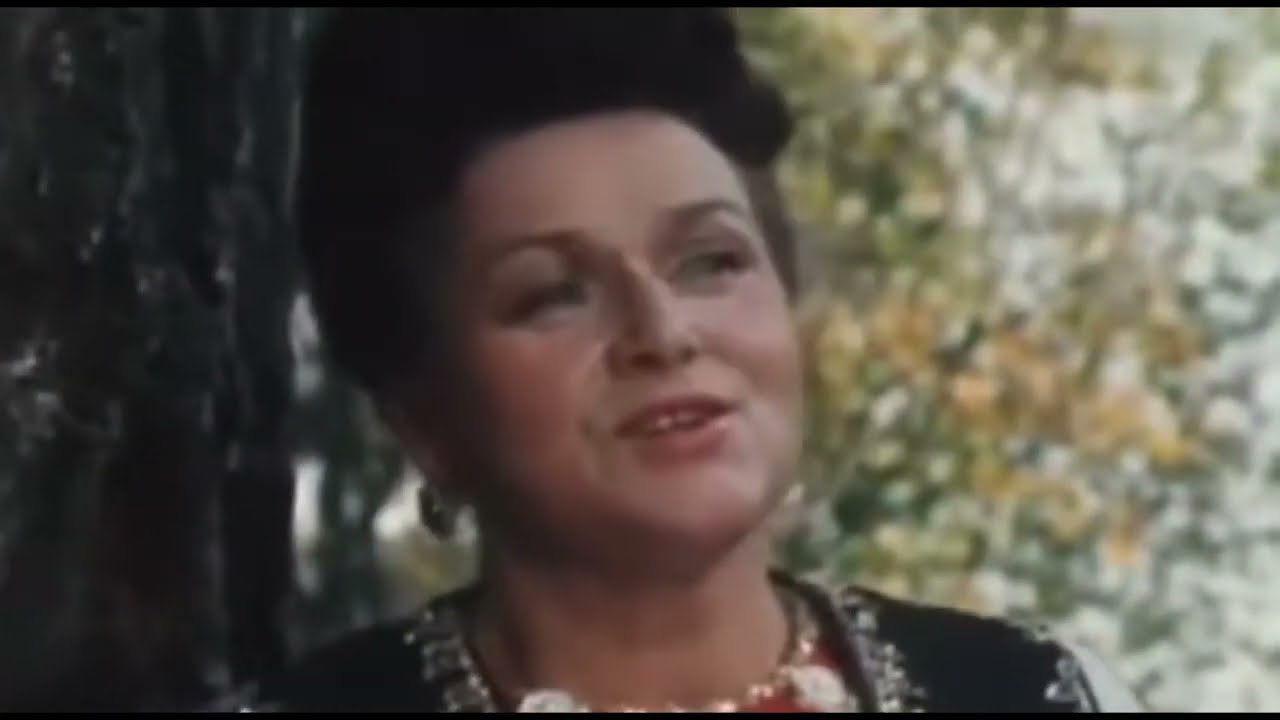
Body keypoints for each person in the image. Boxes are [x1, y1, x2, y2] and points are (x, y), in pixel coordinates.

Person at [225, 8, 1143, 713]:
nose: (662, 333)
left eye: (711, 262)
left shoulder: (1041, 694)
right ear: (423, 417)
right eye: (554, 294)